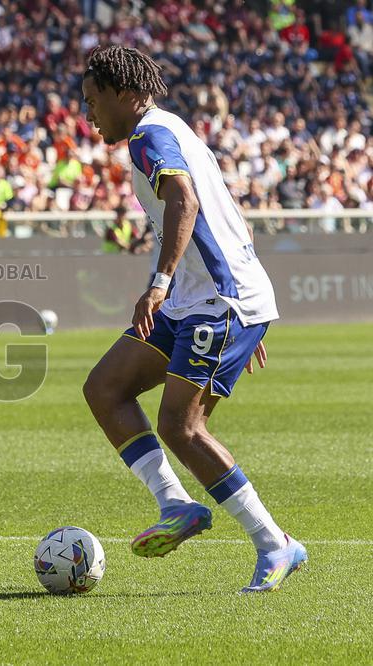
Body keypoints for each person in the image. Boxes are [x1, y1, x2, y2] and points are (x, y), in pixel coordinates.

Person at [80, 46, 306, 593]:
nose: (89, 114)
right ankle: (176, 504)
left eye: (93, 101)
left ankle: (275, 543)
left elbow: (186, 201)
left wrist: (164, 283)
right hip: (203, 300)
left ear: (125, 94)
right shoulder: (170, 129)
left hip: (214, 301)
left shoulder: (148, 137)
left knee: (181, 426)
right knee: (105, 388)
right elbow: (230, 214)